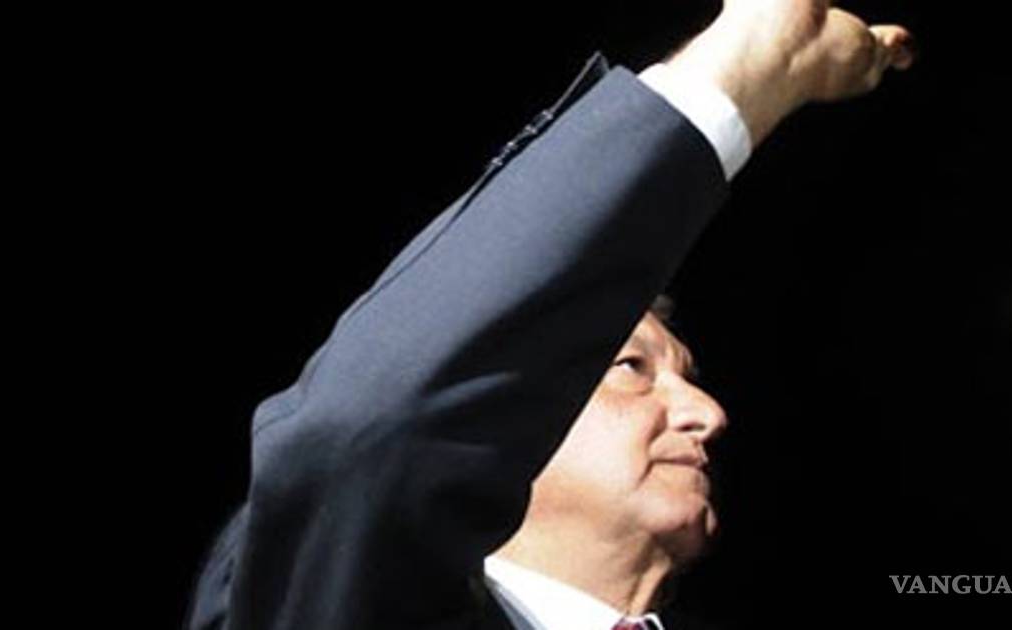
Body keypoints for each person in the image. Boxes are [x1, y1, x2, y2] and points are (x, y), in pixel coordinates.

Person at [185, 2, 916, 628]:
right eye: (631, 368)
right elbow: (367, 439)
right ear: (512, 407)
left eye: (686, 379)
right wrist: (754, 63)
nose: (708, 414)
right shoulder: (347, 599)